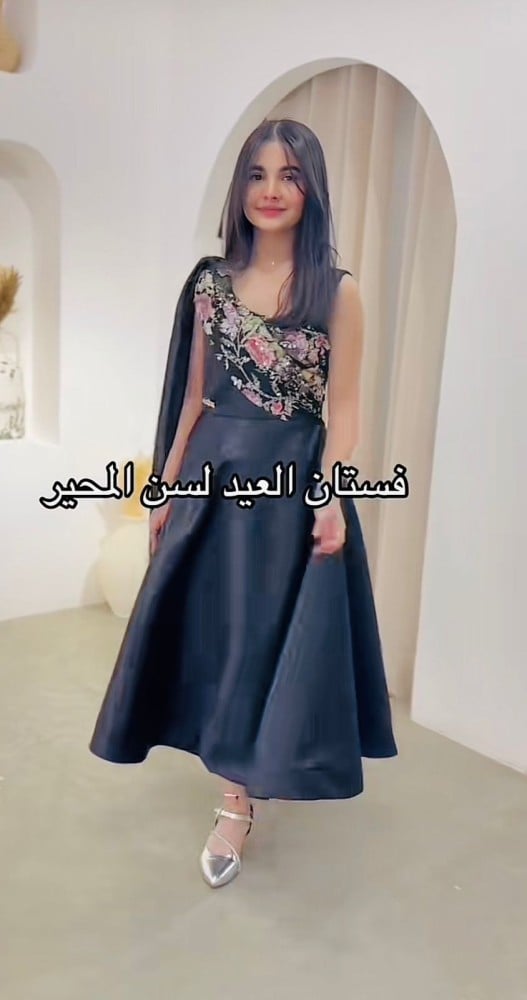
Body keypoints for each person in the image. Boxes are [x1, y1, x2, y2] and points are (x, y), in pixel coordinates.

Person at [89, 118, 398, 889]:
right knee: (217, 638)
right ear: (239, 187)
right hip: (213, 481)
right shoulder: (210, 285)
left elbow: (345, 411)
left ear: (310, 189)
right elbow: (192, 397)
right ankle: (233, 799)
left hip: (291, 485)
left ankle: (259, 770)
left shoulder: (338, 291)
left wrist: (329, 495)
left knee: (268, 640)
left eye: (288, 175)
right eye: (257, 174)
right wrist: (165, 487)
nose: (270, 190)